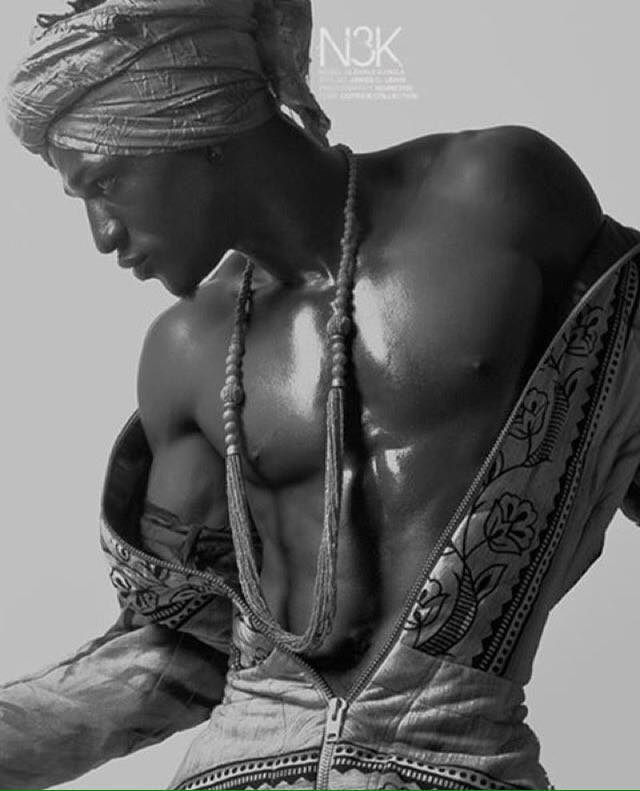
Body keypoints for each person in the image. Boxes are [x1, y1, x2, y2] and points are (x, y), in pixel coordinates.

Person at [2, 0, 640, 789]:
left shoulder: (494, 196)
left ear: (190, 125)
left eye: (107, 183)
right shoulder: (186, 349)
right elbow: (181, 650)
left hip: (457, 759)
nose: (103, 233)